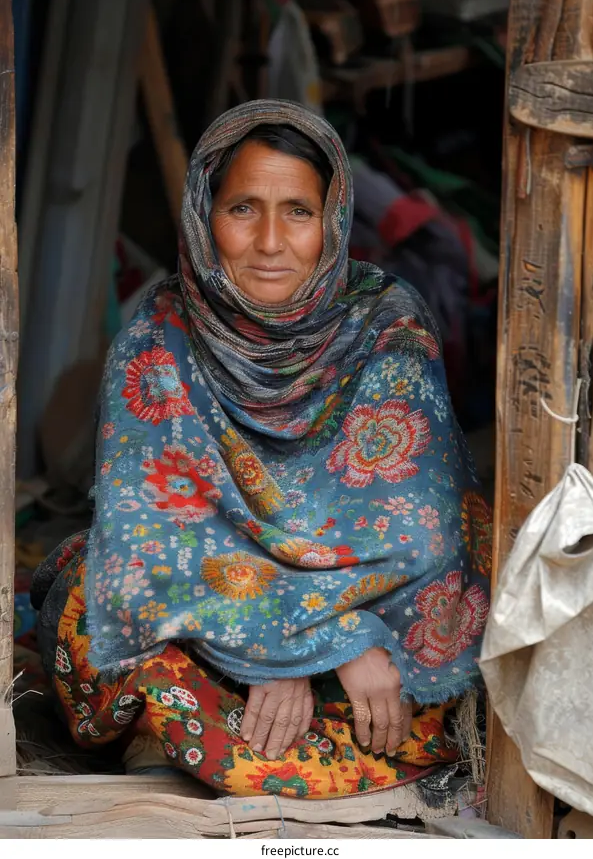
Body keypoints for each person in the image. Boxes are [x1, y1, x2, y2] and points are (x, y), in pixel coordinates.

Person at [32, 100, 491, 798]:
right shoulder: (156, 339)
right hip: (224, 630)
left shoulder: (387, 327)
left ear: (333, 221)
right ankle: (226, 732)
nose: (271, 241)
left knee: (474, 560)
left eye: (299, 211)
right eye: (243, 208)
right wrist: (291, 648)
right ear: (202, 217)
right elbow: (157, 533)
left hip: (372, 631)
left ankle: (194, 744)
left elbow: (418, 531)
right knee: (95, 594)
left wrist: (338, 637)